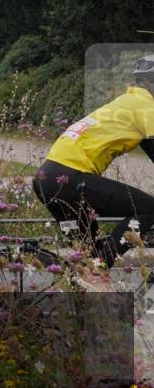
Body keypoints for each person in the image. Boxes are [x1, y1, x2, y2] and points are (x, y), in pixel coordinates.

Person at [32, 54, 154, 271]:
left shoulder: (128, 103)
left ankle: (86, 287)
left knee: (88, 257)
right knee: (149, 210)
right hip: (70, 178)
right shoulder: (145, 105)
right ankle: (100, 267)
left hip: (48, 180)